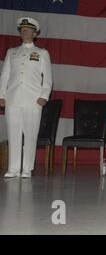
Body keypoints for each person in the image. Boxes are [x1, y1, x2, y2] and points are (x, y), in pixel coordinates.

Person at [0, 17, 52, 178]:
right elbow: (5, 76)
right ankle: (13, 168)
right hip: (13, 98)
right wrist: (2, 95)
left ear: (35, 33)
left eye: (28, 30)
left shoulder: (42, 53)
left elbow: (48, 78)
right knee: (13, 134)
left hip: (33, 99)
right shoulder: (12, 52)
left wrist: (44, 96)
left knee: (30, 135)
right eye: (22, 30)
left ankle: (27, 168)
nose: (24, 32)